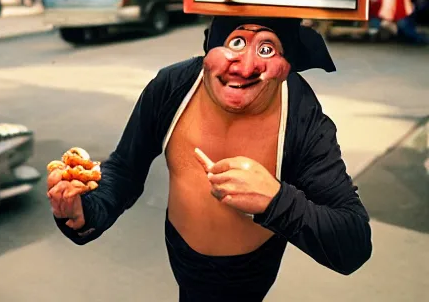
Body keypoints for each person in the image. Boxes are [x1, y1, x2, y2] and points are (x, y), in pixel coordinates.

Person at [48, 16, 372, 301]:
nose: (245, 67)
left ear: (286, 66)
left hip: (252, 272)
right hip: (182, 257)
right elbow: (124, 170)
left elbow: (352, 242)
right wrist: (83, 210)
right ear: (208, 50)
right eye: (236, 42)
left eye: (266, 49)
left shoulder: (300, 112)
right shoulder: (172, 87)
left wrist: (276, 201)